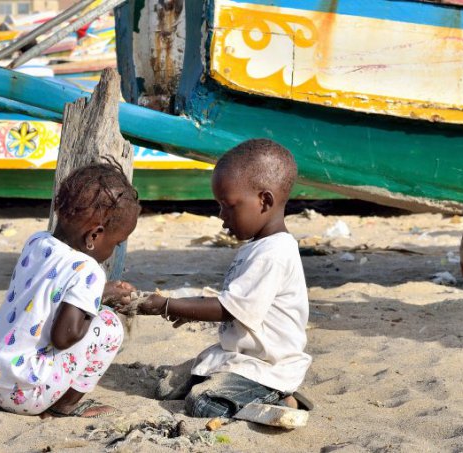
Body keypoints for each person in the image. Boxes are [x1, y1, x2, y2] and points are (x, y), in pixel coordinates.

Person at [110, 139, 313, 417]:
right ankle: (252, 390)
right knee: (168, 389)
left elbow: (229, 308)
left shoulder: (274, 253)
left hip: (266, 367)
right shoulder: (257, 247)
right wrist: (185, 307)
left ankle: (279, 400)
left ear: (264, 201)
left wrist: (166, 305)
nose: (221, 216)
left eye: (228, 206)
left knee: (202, 402)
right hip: (239, 357)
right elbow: (230, 301)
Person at [0, 161, 140, 418]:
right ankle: (64, 404)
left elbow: (49, 290)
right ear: (94, 236)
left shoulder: (37, 242)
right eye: (117, 242)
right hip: (26, 395)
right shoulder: (89, 270)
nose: (116, 249)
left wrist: (98, 293)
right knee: (109, 326)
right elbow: (64, 337)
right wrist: (97, 300)